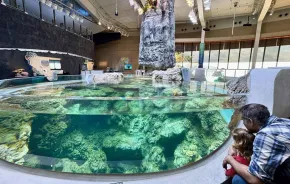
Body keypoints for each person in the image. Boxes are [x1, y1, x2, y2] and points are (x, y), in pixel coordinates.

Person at [222, 104, 290, 184]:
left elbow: (256, 180)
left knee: (237, 180)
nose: (243, 124)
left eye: (243, 120)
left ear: (250, 122)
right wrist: (233, 146)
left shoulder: (264, 135)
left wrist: (230, 159)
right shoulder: (284, 121)